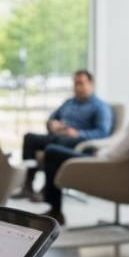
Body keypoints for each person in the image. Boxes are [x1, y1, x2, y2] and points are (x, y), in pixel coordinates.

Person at [38, 72, 129, 225]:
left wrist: (100, 152)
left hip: (115, 168)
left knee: (51, 151)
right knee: (66, 147)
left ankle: (55, 211)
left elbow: (119, 151)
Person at [19, 68, 111, 197]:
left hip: (78, 141)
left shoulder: (100, 106)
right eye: (75, 83)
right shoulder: (69, 102)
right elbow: (52, 118)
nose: (77, 87)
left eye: (81, 83)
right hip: (58, 136)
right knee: (29, 137)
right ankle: (28, 186)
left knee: (54, 145)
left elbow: (103, 132)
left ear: (91, 84)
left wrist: (78, 133)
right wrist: (52, 125)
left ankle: (47, 190)